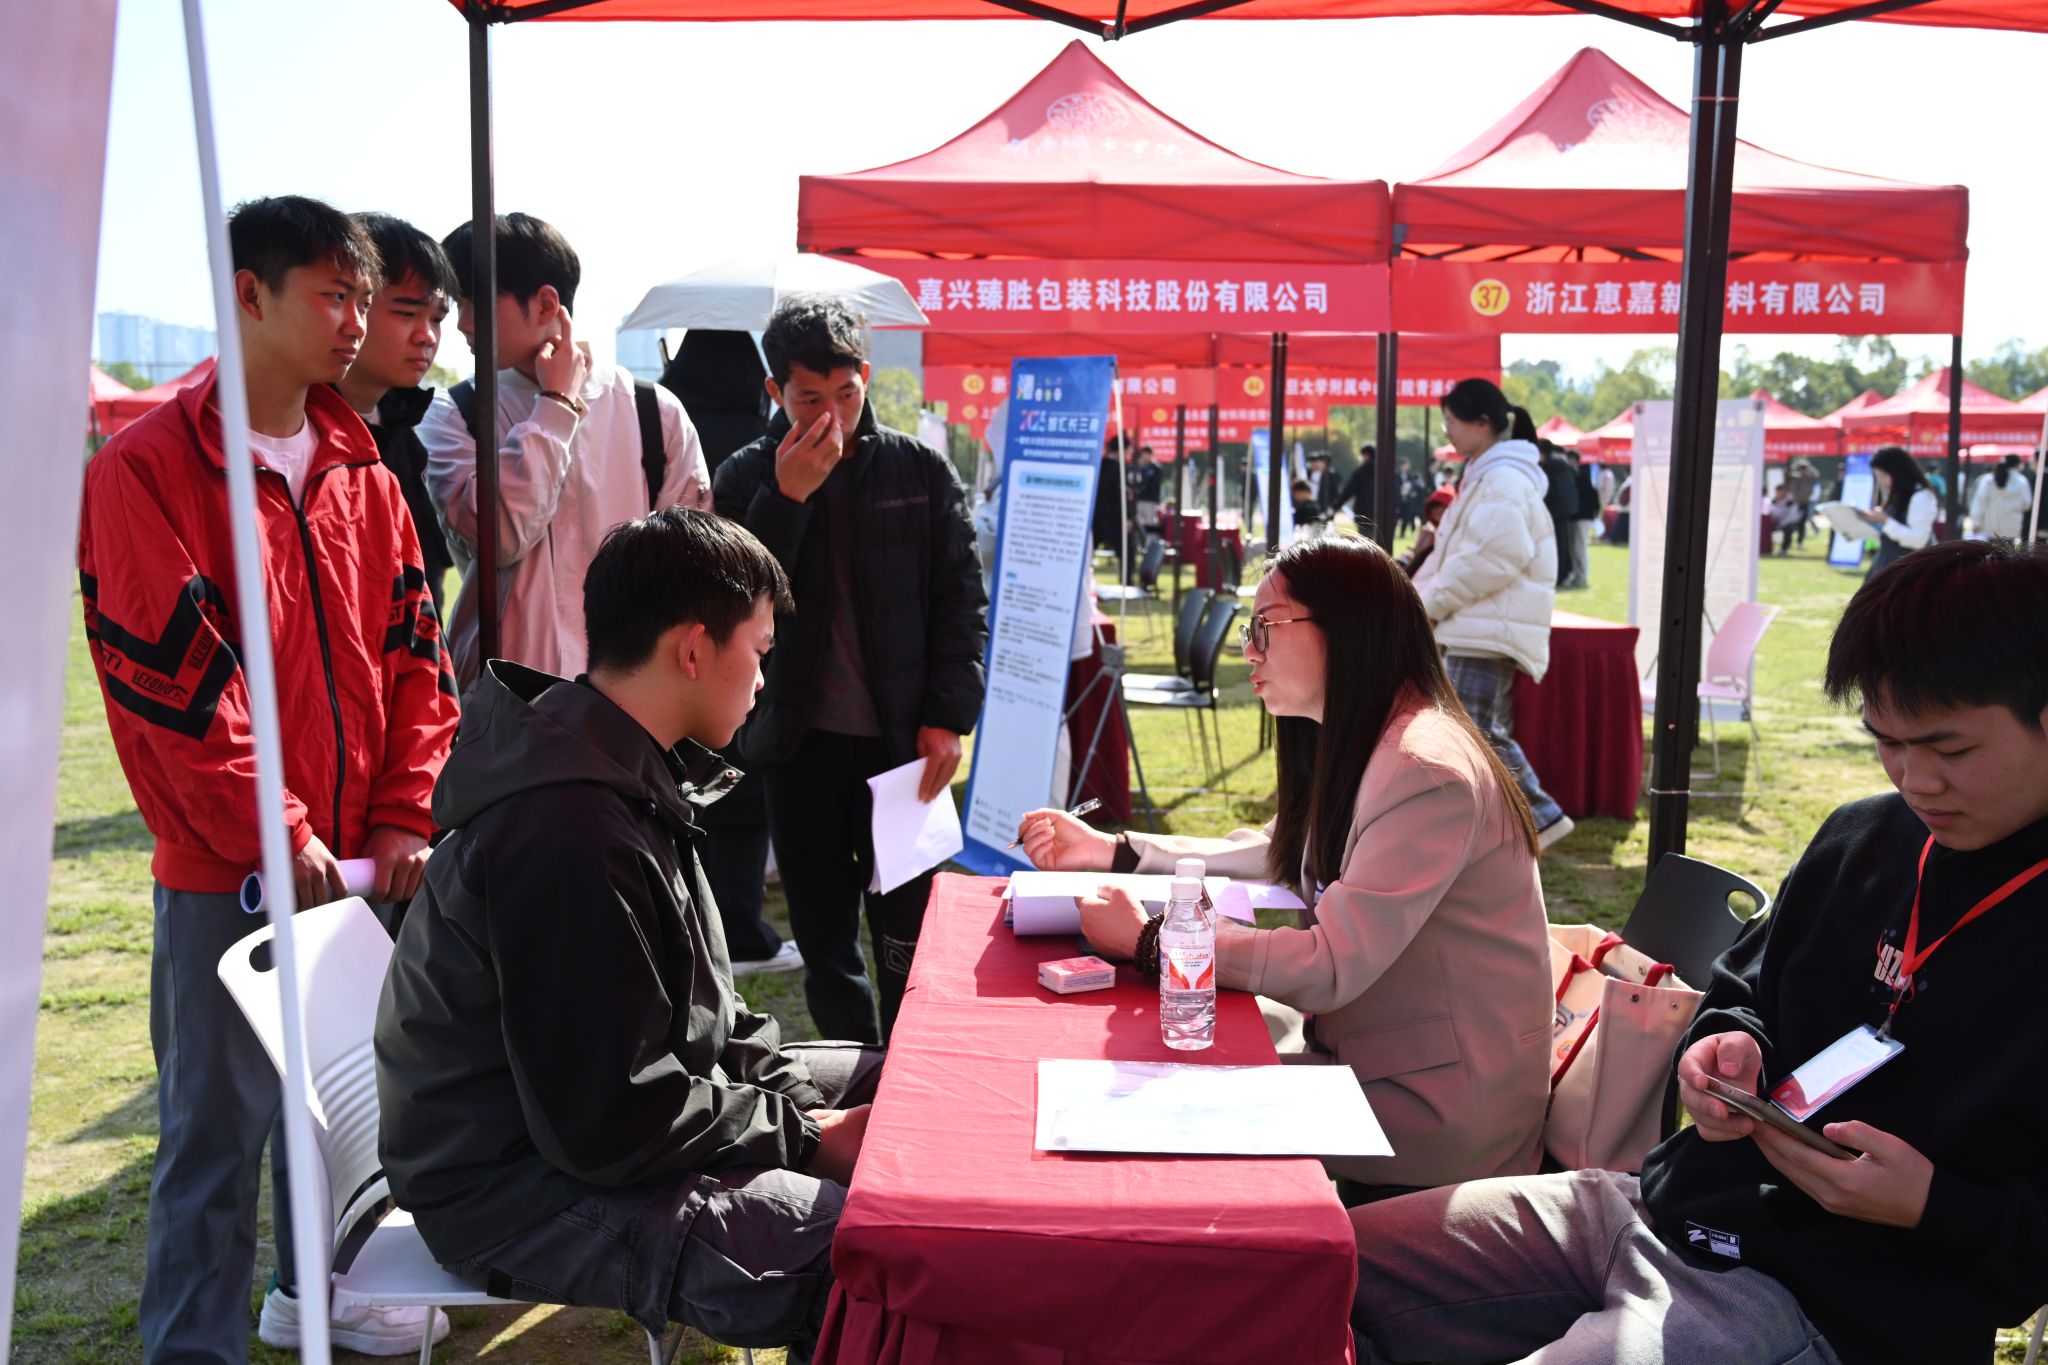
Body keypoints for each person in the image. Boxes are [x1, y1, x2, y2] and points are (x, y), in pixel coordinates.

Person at [1348, 539, 2048, 1365]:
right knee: (1312, 1261)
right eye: (1886, 742)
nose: (1914, 779)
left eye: (1950, 750)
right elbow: (1743, 991)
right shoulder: (1863, 838)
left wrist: (1932, 1205)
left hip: (1833, 1303)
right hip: (1652, 1208)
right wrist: (1723, 1047)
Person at [78, 195, 459, 1360]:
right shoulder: (146, 469)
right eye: (334, 295)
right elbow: (179, 695)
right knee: (212, 1140)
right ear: (248, 293)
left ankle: (322, 1295)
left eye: (364, 298)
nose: (356, 323)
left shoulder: (367, 471)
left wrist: (402, 813)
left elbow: (416, 661)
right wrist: (276, 829)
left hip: (361, 870)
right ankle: (192, 1347)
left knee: (343, 1120)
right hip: (228, 873)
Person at [376, 508, 882, 1362]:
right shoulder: (567, 827)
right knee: (867, 1248)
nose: (764, 678)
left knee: (897, 1088)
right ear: (693, 649)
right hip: (515, 1188)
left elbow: (705, 1018)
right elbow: (611, 1120)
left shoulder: (621, 769)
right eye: (759, 650)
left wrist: (803, 1109)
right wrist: (808, 1137)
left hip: (599, 1127)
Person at [1018, 536, 1554, 1200]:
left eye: (1265, 627)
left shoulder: (1425, 769)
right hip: (1377, 1062)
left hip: (1438, 1108)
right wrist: (1114, 851)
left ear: (1346, 628)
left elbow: (1330, 964)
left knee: (1146, 1114)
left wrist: (1155, 941)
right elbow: (1277, 850)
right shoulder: (1377, 737)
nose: (1248, 650)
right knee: (1144, 1080)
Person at [712, 296, 988, 1044]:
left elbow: (961, 598)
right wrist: (787, 498)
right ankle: (856, 1076)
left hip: (905, 743)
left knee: (911, 932)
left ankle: (914, 1065)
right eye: (809, 398)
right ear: (775, 391)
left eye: (846, 392)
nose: (832, 415)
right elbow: (731, 602)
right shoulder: (745, 475)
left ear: (865, 375)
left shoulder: (918, 469)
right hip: (798, 745)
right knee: (826, 941)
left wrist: (948, 716)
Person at [421, 211, 712, 688]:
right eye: (458, 305)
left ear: (544, 304)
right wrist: (556, 405)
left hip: (628, 698)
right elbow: (503, 536)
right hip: (504, 698)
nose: (463, 324)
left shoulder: (654, 411)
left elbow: (689, 575)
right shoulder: (455, 412)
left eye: (475, 303)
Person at [656, 328, 797, 975]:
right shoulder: (760, 445)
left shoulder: (669, 423)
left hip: (672, 639)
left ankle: (695, 922)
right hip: (745, 639)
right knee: (740, 787)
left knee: (684, 782)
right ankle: (740, 928)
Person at [1414, 378, 1572, 850]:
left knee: (1474, 734)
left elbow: (1490, 558)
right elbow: (1460, 557)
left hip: (1484, 628)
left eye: (1452, 421)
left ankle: (1540, 816)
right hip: (1479, 625)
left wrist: (1428, 605)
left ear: (1482, 423)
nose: (1448, 432)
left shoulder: (1503, 479)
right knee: (1470, 733)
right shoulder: (1489, 475)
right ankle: (1501, 828)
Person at [336, 212, 459, 615]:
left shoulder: (409, 432)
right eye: (407, 313)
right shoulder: (298, 431)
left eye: (437, 318)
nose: (427, 336)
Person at [1857, 444, 1938, 578]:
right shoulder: (1898, 494)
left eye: (1884, 476)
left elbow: (1918, 540)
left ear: (1898, 471)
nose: (1882, 482)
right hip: (1888, 568)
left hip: (1909, 573)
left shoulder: (1921, 497)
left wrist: (1885, 521)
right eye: (1878, 477)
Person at [1539, 438, 1582, 588]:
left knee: (1554, 545)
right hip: (1566, 511)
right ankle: (1563, 573)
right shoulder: (1565, 467)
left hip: (1552, 511)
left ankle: (1557, 574)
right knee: (1564, 543)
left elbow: (1546, 491)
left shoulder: (1546, 468)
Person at [1970, 453, 2033, 542]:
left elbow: (1980, 502)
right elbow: (2027, 504)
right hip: (2012, 527)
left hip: (1991, 528)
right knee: (2009, 550)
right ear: (2018, 464)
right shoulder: (2022, 481)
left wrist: (1977, 523)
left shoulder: (1988, 480)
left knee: (1990, 550)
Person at [1398, 485, 1457, 578]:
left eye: (1440, 510)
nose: (1436, 514)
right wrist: (1405, 558)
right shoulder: (1428, 532)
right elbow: (1416, 550)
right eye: (1433, 511)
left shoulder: (1455, 534)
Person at [1564, 446, 1598, 588]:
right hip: (1577, 516)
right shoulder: (1578, 475)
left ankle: (1581, 577)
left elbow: (1591, 497)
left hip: (1582, 517)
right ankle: (1577, 575)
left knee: (1579, 548)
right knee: (1574, 549)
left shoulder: (1582, 476)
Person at [1337, 442, 1377, 530]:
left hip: (1364, 514)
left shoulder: (1361, 471)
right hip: (1383, 514)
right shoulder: (1385, 470)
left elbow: (1348, 491)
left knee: (1365, 537)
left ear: (1365, 456)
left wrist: (1335, 505)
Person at [1785, 457, 1821, 551]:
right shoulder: (1795, 476)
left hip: (1804, 503)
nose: (1803, 470)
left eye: (1804, 468)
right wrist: (1795, 466)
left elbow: (1817, 475)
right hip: (1795, 504)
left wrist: (1809, 466)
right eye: (1801, 468)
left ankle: (1800, 542)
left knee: (1802, 524)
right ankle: (1788, 543)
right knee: (1791, 524)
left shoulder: (1810, 477)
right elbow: (1787, 474)